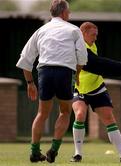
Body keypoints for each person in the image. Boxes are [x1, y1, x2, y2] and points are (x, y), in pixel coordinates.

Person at [16, 0, 87, 163]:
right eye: (68, 12)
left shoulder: (41, 30)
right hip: (64, 72)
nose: (69, 15)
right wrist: (76, 75)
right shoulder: (74, 30)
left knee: (42, 113)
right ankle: (53, 150)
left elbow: (25, 59)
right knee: (65, 112)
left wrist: (30, 83)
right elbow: (82, 57)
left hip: (45, 72)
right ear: (63, 13)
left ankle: (34, 152)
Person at [70, 22, 121, 163]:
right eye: (93, 35)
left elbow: (100, 65)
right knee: (80, 114)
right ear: (83, 33)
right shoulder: (78, 48)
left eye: (96, 35)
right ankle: (78, 154)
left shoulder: (92, 45)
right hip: (80, 88)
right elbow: (100, 64)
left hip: (97, 87)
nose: (95, 38)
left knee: (109, 118)